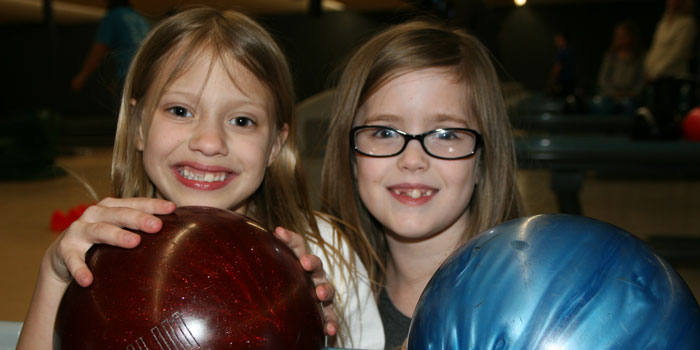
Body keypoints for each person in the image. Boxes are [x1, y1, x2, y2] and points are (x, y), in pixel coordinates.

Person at [17, 7, 383, 349]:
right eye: (180, 110)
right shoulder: (105, 248)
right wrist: (54, 275)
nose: (209, 142)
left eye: (242, 120)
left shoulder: (324, 254)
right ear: (138, 126)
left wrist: (313, 327)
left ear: (275, 145)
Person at [320, 20, 523, 348]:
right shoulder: (331, 299)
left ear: (483, 158)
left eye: (446, 134)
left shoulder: (524, 304)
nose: (413, 159)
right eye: (384, 132)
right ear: (352, 158)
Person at [641, 0, 697, 138]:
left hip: (674, 75)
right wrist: (648, 68)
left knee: (668, 107)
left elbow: (678, 52)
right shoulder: (662, 22)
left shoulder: (688, 23)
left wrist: (658, 71)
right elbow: (655, 48)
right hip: (655, 76)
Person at [70, 0, 150, 92]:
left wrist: (82, 76)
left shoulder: (113, 16)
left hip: (129, 74)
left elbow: (99, 49)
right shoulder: (139, 18)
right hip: (146, 74)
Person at [593, 20, 645, 115]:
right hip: (610, 97)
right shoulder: (610, 56)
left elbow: (640, 80)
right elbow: (603, 80)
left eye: (624, 35)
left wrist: (630, 94)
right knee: (602, 106)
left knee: (628, 106)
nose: (620, 39)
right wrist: (613, 94)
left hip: (631, 97)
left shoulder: (638, 57)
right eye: (618, 36)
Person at [547, 31, 576, 97]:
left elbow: (557, 69)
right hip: (571, 83)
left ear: (562, 39)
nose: (555, 41)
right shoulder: (571, 51)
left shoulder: (562, 52)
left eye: (557, 39)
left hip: (563, 84)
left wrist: (550, 85)